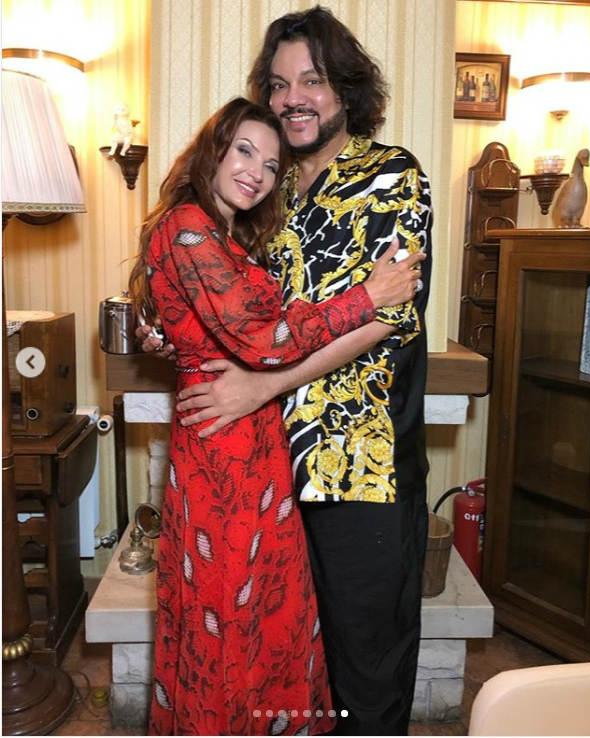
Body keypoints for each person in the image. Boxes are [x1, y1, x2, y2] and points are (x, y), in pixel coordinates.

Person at [144, 7, 434, 734]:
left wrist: (264, 386)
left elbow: (391, 314)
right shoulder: (266, 195)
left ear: (346, 89)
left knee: (367, 662)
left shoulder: (391, 174)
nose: (292, 97)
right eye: (278, 84)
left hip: (356, 460)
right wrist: (174, 333)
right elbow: (233, 308)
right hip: (268, 465)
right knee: (287, 656)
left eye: (312, 80)